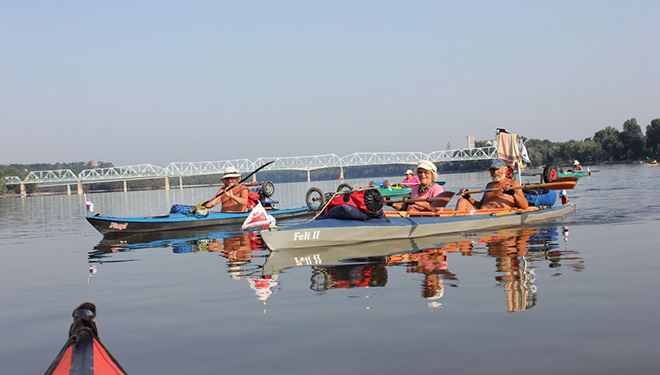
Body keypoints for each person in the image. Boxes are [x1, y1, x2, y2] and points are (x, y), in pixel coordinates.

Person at [455, 159, 529, 211]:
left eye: (497, 169)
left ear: (504, 169)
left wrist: (513, 193)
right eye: (492, 170)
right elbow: (480, 205)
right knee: (462, 201)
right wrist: (468, 197)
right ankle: (455, 223)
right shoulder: (489, 185)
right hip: (482, 212)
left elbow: (525, 206)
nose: (495, 172)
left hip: (498, 213)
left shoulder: (513, 183)